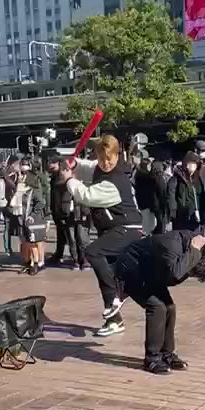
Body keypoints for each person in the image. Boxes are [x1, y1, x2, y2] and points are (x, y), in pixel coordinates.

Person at [60, 134, 142, 338]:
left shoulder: (115, 180)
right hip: (114, 228)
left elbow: (86, 196)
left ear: (118, 155)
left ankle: (118, 293)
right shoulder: (101, 167)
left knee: (93, 252)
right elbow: (89, 167)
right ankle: (114, 319)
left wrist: (69, 179)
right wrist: (75, 162)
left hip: (127, 228)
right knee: (107, 273)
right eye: (102, 157)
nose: (106, 163)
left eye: (110, 158)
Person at [115, 232, 205, 374]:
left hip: (151, 273)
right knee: (157, 307)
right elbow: (176, 273)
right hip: (131, 269)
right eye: (192, 272)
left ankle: (166, 354)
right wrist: (193, 251)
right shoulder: (171, 245)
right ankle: (152, 358)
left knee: (170, 307)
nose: (189, 275)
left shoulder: (199, 245)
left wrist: (204, 247)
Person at [49, 158, 91, 270]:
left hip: (80, 212)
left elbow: (86, 198)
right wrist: (59, 213)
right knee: (71, 238)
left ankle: (85, 259)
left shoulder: (80, 183)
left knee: (82, 237)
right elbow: (57, 200)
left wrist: (86, 212)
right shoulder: (61, 184)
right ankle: (76, 260)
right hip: (68, 213)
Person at [167, 151, 205, 232]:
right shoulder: (177, 177)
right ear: (185, 164)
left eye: (195, 163)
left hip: (195, 216)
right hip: (181, 217)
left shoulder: (200, 178)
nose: (193, 166)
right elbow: (171, 194)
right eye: (191, 163)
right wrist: (173, 213)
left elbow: (204, 195)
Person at [18, 171, 47, 275]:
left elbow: (41, 203)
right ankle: (29, 263)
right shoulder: (24, 190)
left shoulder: (34, 191)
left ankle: (37, 263)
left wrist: (33, 214)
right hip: (23, 219)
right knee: (27, 243)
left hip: (33, 221)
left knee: (34, 243)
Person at [134, 157, 169, 236]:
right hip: (152, 203)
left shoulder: (137, 175)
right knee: (152, 224)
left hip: (143, 203)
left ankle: (148, 236)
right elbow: (161, 190)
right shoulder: (153, 176)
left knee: (147, 225)